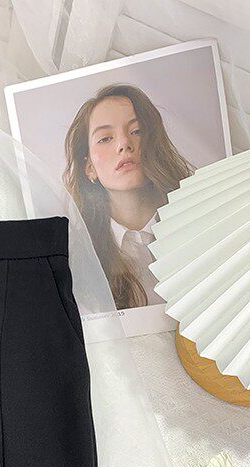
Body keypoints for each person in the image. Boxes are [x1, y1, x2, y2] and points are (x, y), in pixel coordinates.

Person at [63, 83, 193, 309]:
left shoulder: (198, 223)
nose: (124, 144)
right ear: (89, 167)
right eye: (105, 138)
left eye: (136, 131)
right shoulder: (76, 259)